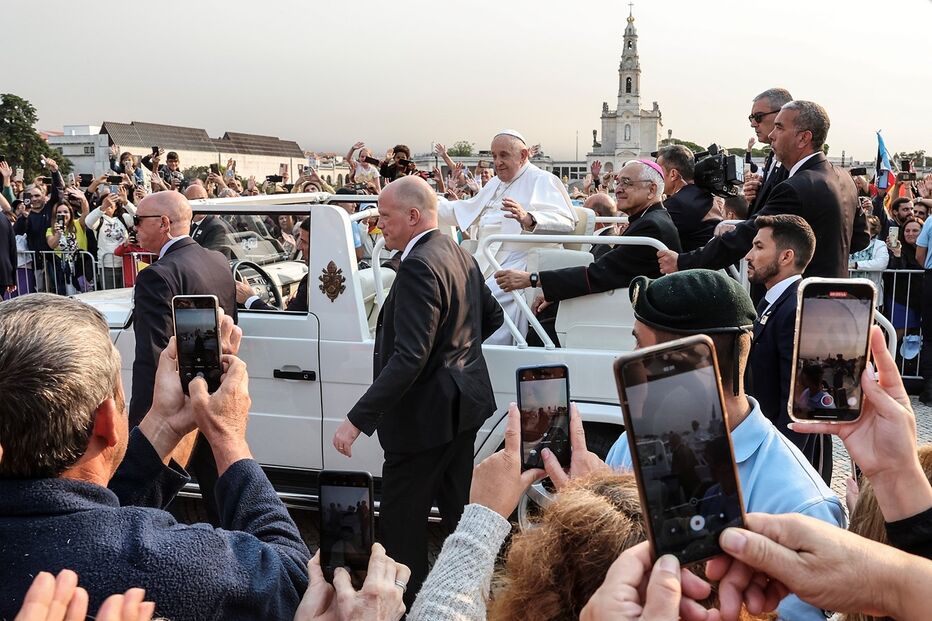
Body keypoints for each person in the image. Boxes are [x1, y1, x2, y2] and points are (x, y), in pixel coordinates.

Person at [0, 294, 311, 620]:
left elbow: (78, 513)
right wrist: (228, 437)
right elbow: (293, 579)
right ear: (106, 420)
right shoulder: (177, 563)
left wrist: (165, 423)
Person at [603, 269, 844, 621]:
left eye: (640, 346)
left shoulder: (801, 505)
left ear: (682, 366)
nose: (626, 358)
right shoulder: (631, 444)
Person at [331, 176, 503, 608]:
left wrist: (356, 420)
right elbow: (492, 317)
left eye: (384, 216)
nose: (378, 226)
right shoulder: (459, 253)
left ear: (413, 216)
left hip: (422, 421)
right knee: (459, 517)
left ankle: (406, 609)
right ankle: (471, 600)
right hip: (461, 409)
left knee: (402, 528)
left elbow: (409, 357)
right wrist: (453, 357)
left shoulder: (418, 267)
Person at [658, 100, 869, 283]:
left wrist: (683, 262)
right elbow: (861, 238)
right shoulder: (844, 178)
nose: (772, 135)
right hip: (834, 295)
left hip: (796, 299)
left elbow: (748, 235)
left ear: (803, 138)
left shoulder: (795, 188)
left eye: (779, 127)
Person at [129, 190, 237, 525]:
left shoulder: (156, 275)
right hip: (213, 392)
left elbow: (153, 355)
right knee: (220, 493)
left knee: (156, 502)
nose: (134, 228)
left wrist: (142, 422)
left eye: (139, 220)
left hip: (175, 406)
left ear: (163, 223)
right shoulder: (217, 261)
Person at [493, 160, 681, 347]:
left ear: (651, 190)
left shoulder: (651, 226)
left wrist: (531, 279)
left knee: (544, 325)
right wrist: (556, 293)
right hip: (620, 303)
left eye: (627, 183)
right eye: (618, 182)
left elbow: (599, 274)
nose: (618, 189)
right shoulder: (648, 219)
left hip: (627, 312)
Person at [437, 129, 577, 344]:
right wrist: (430, 205)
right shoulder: (495, 183)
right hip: (488, 256)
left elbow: (566, 221)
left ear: (523, 155)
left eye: (504, 155)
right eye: (494, 156)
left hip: (521, 259)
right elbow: (466, 209)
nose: (497, 162)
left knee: (484, 298)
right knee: (448, 290)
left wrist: (528, 218)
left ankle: (487, 350)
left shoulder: (542, 179)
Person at [745, 214, 832, 482]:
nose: (748, 255)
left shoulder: (797, 308)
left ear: (786, 257)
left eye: (759, 247)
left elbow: (800, 405)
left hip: (787, 463)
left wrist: (780, 467)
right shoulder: (775, 302)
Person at [236, 218, 311, 312]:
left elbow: (287, 321)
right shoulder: (311, 282)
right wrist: (298, 300)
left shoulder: (311, 284)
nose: (299, 247)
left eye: (304, 242)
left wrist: (249, 299)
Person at [656, 144, 717, 251]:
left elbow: (649, 232)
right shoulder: (702, 193)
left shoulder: (677, 203)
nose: (655, 177)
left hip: (692, 260)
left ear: (673, 174)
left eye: (658, 171)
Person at [744, 88, 794, 217]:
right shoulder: (773, 156)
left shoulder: (792, 162)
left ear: (782, 114)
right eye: (751, 118)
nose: (753, 124)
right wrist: (758, 195)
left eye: (758, 117)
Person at [184, 184, 235, 257]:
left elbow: (205, 257)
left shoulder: (217, 227)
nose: (198, 204)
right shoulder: (186, 224)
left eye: (202, 199)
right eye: (194, 201)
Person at [848, 214, 888, 302]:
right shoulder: (849, 243)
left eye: (865, 227)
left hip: (871, 294)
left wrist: (856, 265)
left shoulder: (879, 244)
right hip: (850, 294)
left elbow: (881, 263)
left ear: (873, 232)